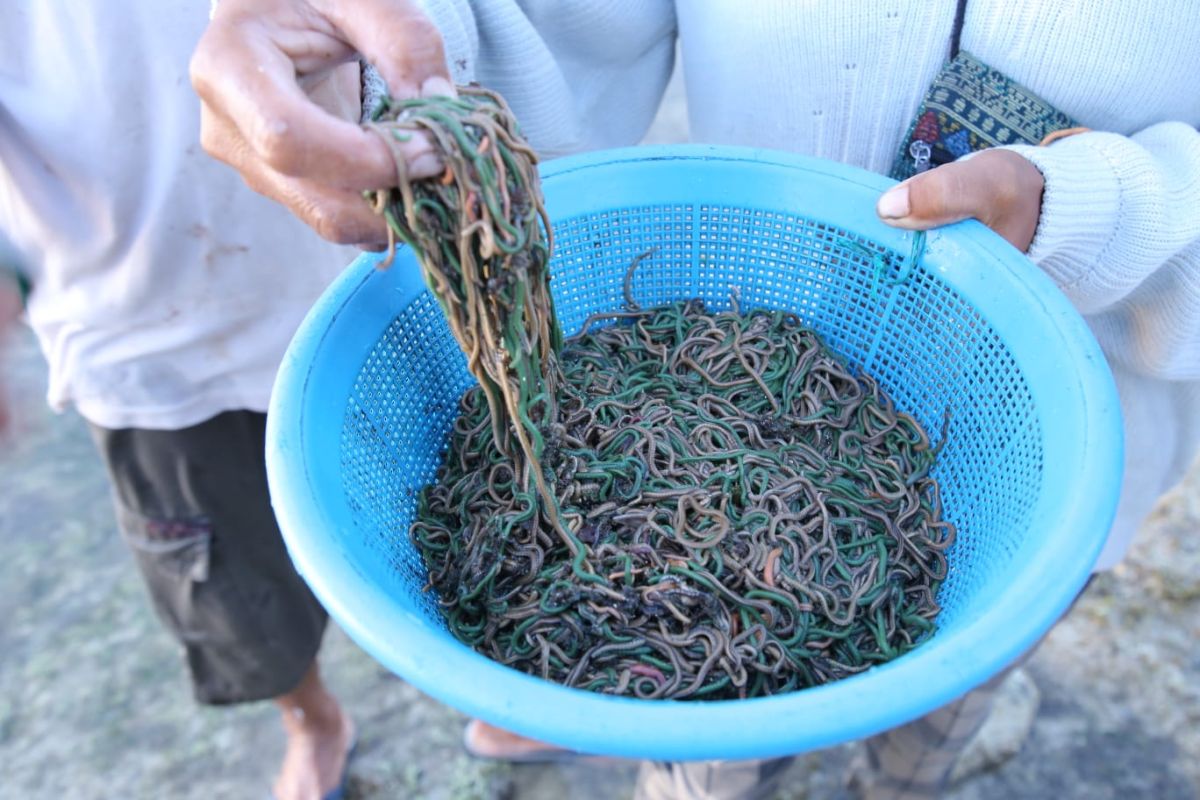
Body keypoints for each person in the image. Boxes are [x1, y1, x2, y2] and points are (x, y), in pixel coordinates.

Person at [190, 0, 1200, 797]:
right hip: (766, 303)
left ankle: (903, 780)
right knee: (708, 758)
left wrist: (1095, 204)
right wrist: (389, 48)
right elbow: (554, 20)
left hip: (1050, 455)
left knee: (935, 703)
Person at [0, 3, 367, 798]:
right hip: (137, 331)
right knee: (230, 586)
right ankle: (311, 718)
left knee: (449, 518)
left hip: (352, 269)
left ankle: (497, 697)